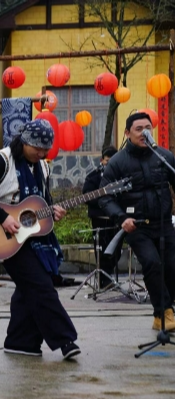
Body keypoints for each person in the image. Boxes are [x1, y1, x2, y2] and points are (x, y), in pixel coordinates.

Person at [0, 119, 80, 361]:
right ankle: (65, 340)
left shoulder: (43, 167)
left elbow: (40, 202)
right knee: (42, 286)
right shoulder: (2, 160)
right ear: (24, 141)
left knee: (30, 288)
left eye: (44, 150)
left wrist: (54, 210)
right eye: (36, 148)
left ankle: (21, 342)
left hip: (34, 236)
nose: (40, 154)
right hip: (3, 234)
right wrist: (3, 218)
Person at [99, 112, 175, 332]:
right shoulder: (117, 162)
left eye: (148, 128)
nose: (145, 133)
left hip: (164, 224)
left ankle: (162, 315)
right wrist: (122, 218)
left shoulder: (165, 156)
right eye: (139, 129)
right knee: (152, 263)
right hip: (137, 226)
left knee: (171, 266)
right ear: (127, 133)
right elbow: (104, 196)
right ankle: (164, 312)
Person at [82, 146, 120, 288]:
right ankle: (103, 279)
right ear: (101, 160)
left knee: (116, 250)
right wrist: (103, 202)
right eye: (107, 161)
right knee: (101, 249)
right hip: (99, 219)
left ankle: (109, 276)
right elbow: (86, 196)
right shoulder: (93, 176)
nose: (108, 165)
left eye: (112, 162)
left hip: (115, 218)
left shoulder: (120, 176)